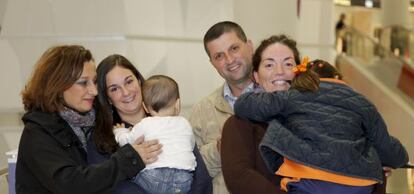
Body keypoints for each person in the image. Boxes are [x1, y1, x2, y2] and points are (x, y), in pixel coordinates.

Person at [221, 35, 390, 194]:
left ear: (302, 72)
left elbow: (374, 173)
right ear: (256, 76)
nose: (279, 71)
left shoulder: (334, 118)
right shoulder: (240, 123)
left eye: (288, 64)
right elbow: (239, 178)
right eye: (269, 65)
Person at [16, 45, 159, 194]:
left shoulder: (91, 122)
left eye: (95, 81)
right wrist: (129, 159)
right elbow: (70, 183)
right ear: (58, 86)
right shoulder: (38, 132)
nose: (94, 91)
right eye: (83, 82)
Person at [90, 54, 212, 194]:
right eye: (114, 89)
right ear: (108, 98)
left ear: (139, 82)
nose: (126, 92)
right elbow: (109, 186)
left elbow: (201, 178)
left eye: (129, 82)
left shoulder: (172, 124)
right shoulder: (101, 138)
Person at [188, 21, 255, 194]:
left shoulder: (278, 97)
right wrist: (220, 149)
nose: (230, 60)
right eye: (219, 56)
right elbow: (191, 175)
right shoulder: (202, 110)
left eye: (234, 48)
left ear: (249, 46)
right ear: (212, 63)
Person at [113, 75, 196, 194]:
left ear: (145, 107)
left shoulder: (145, 124)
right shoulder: (185, 123)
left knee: (130, 176)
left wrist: (119, 131)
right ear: (178, 104)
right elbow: (191, 146)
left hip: (153, 178)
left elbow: (127, 141)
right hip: (183, 180)